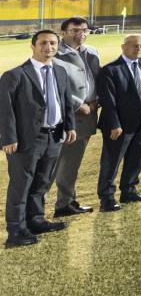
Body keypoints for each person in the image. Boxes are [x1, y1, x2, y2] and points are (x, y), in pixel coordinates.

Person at [0, 30, 79, 246]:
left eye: (53, 43)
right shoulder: (14, 75)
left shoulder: (60, 71)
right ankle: (16, 231)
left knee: (42, 183)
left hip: (54, 136)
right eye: (43, 43)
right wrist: (8, 138)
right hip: (26, 140)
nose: (48, 47)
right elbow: (5, 110)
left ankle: (35, 221)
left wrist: (70, 126)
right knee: (21, 186)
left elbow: (66, 101)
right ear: (33, 46)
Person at [96, 33, 141, 211]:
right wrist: (114, 124)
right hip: (119, 126)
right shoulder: (110, 69)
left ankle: (129, 190)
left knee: (136, 158)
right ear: (123, 47)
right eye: (134, 45)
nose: (138, 49)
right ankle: (107, 198)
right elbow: (108, 101)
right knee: (112, 162)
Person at [52, 16, 100, 217]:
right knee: (51, 166)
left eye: (84, 30)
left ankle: (65, 204)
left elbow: (97, 80)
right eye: (75, 30)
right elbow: (53, 84)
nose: (81, 34)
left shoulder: (92, 52)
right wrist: (78, 105)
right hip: (65, 118)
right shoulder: (54, 53)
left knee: (71, 165)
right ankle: (33, 212)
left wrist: (96, 101)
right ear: (63, 32)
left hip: (88, 115)